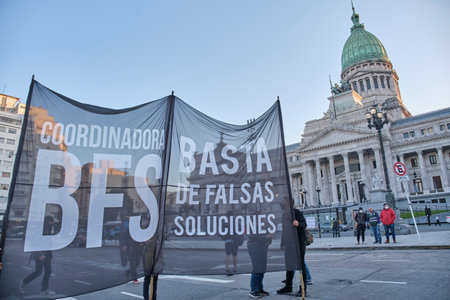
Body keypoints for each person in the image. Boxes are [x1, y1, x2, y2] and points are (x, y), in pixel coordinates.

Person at [277, 206, 308, 297]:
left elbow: (304, 224)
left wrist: (298, 223)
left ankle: (303, 288)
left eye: (284, 202)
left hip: (298, 242)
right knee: (289, 265)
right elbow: (284, 229)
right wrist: (282, 243)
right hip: (288, 243)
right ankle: (288, 286)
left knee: (301, 265)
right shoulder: (285, 215)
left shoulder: (296, 212)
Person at [20, 216, 55, 295]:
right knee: (38, 272)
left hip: (47, 254)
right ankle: (24, 282)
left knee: (48, 271)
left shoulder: (48, 229)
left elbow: (48, 241)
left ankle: (44, 290)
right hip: (40, 254)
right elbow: (35, 243)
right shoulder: (40, 230)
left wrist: (51, 248)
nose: (52, 223)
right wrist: (39, 255)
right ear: (47, 222)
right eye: (51, 222)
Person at [247, 231, 272, 298]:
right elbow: (257, 238)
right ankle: (254, 290)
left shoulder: (264, 223)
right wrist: (267, 237)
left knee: (262, 268)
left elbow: (269, 237)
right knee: (257, 267)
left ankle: (259, 289)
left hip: (263, 246)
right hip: (254, 246)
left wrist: (268, 239)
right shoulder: (254, 224)